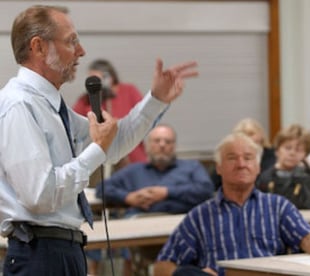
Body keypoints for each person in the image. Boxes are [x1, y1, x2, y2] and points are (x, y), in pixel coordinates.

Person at [0, 5, 197, 276]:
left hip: (63, 248)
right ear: (39, 47)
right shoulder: (19, 106)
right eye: (71, 41)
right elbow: (40, 195)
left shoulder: (53, 107)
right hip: (39, 253)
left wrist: (156, 99)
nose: (81, 51)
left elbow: (114, 144)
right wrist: (96, 150)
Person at [154, 133, 310, 276]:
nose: (241, 164)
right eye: (232, 158)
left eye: (248, 158)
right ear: (219, 168)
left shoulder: (277, 207)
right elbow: (162, 265)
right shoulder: (200, 216)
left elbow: (307, 237)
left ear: (257, 167)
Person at [91, 124, 214, 275]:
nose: (162, 145)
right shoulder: (134, 171)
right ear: (148, 146)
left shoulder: (191, 167)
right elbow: (102, 188)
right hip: (140, 227)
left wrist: (167, 192)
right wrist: (128, 197)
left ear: (174, 146)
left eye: (168, 142)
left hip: (180, 228)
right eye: (157, 141)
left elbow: (206, 189)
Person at [73, 59, 148, 166]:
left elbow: (143, 117)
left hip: (132, 156)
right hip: (101, 159)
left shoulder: (129, 91)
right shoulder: (86, 99)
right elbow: (73, 124)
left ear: (109, 78)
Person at [256, 124, 310, 209]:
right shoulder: (266, 177)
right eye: (287, 148)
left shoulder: (309, 173)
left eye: (298, 150)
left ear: (305, 154)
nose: (292, 153)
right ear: (277, 151)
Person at [210, 118, 276, 189]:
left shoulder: (273, 155)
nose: (247, 138)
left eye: (251, 134)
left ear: (261, 135)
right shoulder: (227, 155)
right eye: (243, 134)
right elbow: (213, 182)